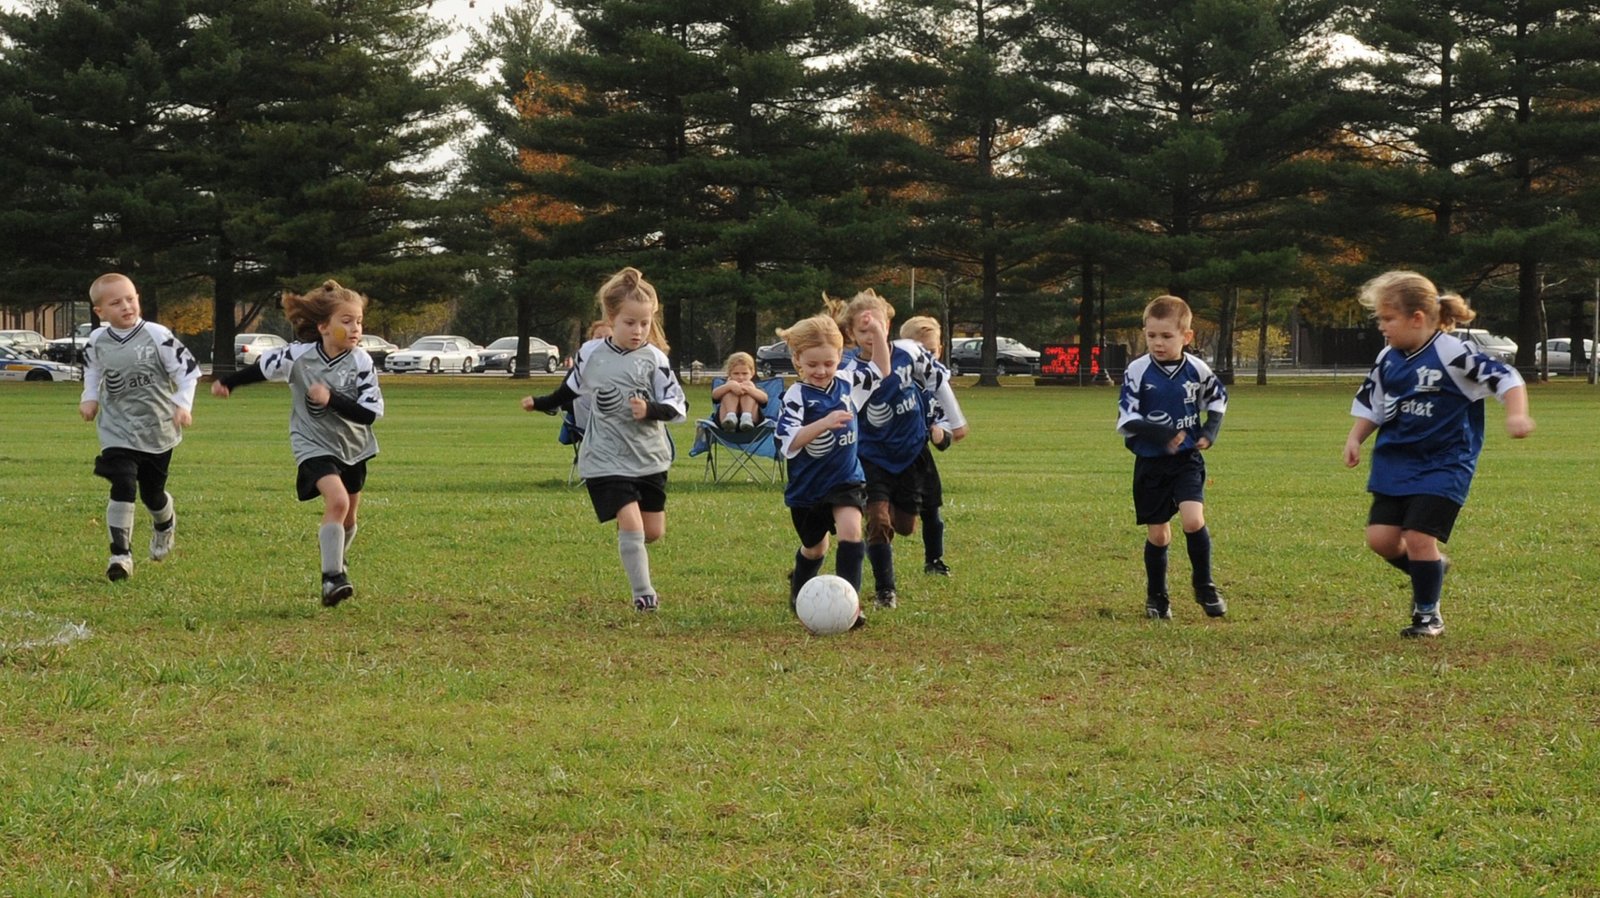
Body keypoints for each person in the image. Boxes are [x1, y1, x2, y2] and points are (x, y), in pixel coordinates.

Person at [1343, 271, 1534, 638]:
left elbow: (1507, 378)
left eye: (1388, 319)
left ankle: (1428, 615)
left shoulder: (1453, 353)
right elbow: (1373, 404)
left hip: (1445, 462)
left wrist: (1517, 413)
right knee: (1381, 540)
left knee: (1418, 536)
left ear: (1417, 318)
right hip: (1395, 460)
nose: (1382, 327)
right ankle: (1431, 568)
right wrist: (1356, 438)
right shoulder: (1388, 358)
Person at [522, 267, 686, 612]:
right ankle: (644, 594)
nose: (638, 331)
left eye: (644, 323)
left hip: (647, 456)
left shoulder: (655, 359)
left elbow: (677, 405)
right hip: (604, 455)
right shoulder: (591, 353)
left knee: (652, 531)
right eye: (630, 323)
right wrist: (540, 404)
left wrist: (651, 410)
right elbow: (571, 388)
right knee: (630, 521)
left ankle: (631, 540)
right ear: (611, 318)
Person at [211, 281, 384, 607]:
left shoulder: (362, 362)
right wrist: (229, 383)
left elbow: (369, 415)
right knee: (337, 502)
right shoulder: (298, 356)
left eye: (358, 321)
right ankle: (331, 579)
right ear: (323, 326)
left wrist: (331, 398)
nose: (355, 328)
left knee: (348, 519)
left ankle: (338, 563)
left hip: (354, 446)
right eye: (346, 321)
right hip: (312, 442)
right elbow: (261, 369)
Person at [838, 292, 967, 609]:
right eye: (863, 331)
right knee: (878, 522)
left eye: (877, 328)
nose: (871, 337)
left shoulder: (910, 352)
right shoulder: (849, 369)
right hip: (871, 456)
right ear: (852, 335)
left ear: (889, 324)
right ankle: (885, 591)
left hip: (911, 453)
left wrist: (957, 421)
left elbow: (938, 381)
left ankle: (893, 517)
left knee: (907, 526)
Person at [78, 273, 201, 581]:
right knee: (122, 481)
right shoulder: (97, 341)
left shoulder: (157, 335)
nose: (126, 306)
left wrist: (183, 405)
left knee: (152, 494)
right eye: (116, 302)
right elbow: (92, 372)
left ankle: (164, 523)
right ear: (100, 312)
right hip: (117, 429)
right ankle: (120, 555)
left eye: (130, 299)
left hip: (157, 428)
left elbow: (188, 373)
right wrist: (90, 398)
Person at [1116, 295, 1228, 620]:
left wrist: (1210, 430)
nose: (1158, 343)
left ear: (1186, 337)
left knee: (1194, 520)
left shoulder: (1196, 369)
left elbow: (1219, 399)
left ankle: (1205, 586)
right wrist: (1163, 433)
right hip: (1151, 463)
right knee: (1159, 534)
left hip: (1186, 460)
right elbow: (1126, 419)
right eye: (1152, 336)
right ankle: (1157, 597)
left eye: (1166, 336)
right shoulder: (1137, 371)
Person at [774, 309, 889, 625]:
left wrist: (878, 332)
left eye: (829, 362)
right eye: (812, 365)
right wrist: (824, 423)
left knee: (852, 531)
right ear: (797, 359)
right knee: (815, 548)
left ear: (840, 356)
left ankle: (849, 606)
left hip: (846, 480)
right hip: (808, 489)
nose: (821, 371)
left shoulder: (847, 380)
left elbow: (880, 369)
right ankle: (799, 587)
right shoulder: (796, 396)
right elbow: (789, 443)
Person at [899, 316, 958, 576]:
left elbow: (947, 424)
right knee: (890, 516)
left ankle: (934, 560)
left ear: (940, 350)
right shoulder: (896, 380)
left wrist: (941, 434)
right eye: (918, 352)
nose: (924, 358)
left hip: (920, 454)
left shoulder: (939, 382)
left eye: (931, 352)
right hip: (889, 453)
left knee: (932, 508)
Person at [712, 351, 768, 431]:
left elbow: (764, 399)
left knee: (749, 391)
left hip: (752, 422)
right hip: (725, 422)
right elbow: (714, 396)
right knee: (729, 392)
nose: (740, 377)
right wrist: (729, 386)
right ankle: (730, 417)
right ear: (729, 373)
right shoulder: (725, 387)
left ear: (752, 373)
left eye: (745, 373)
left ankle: (746, 417)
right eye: (736, 373)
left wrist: (749, 389)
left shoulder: (755, 387)